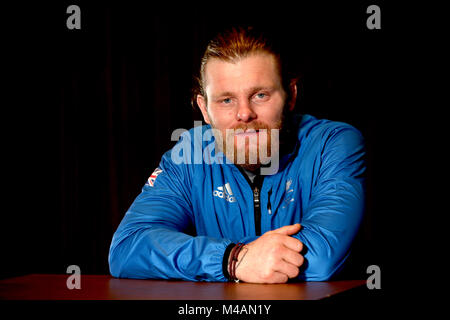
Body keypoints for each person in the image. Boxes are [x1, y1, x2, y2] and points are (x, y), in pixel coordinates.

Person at [108, 26, 365, 283]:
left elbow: (321, 259)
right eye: (226, 100)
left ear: (290, 97)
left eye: (260, 95)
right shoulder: (188, 156)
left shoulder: (333, 144)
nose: (244, 113)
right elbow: (127, 248)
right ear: (205, 109)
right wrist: (231, 259)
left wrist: (220, 259)